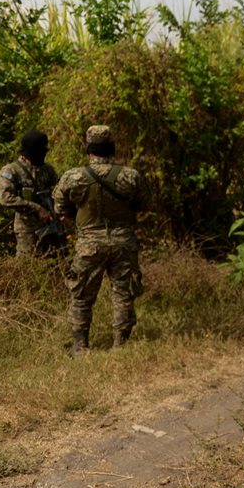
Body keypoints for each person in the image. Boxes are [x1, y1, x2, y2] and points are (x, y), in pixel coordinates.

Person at [53, 125, 150, 354]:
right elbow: (145, 204)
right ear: (111, 148)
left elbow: (60, 207)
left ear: (89, 150)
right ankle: (121, 345)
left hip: (89, 245)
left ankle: (80, 347)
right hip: (124, 243)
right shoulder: (131, 175)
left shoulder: (73, 177)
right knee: (123, 294)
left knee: (81, 295)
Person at [0, 130, 60, 257]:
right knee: (28, 267)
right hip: (27, 231)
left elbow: (58, 192)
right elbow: (5, 198)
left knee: (56, 266)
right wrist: (37, 209)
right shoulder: (11, 170)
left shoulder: (47, 170)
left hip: (51, 228)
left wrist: (60, 210)